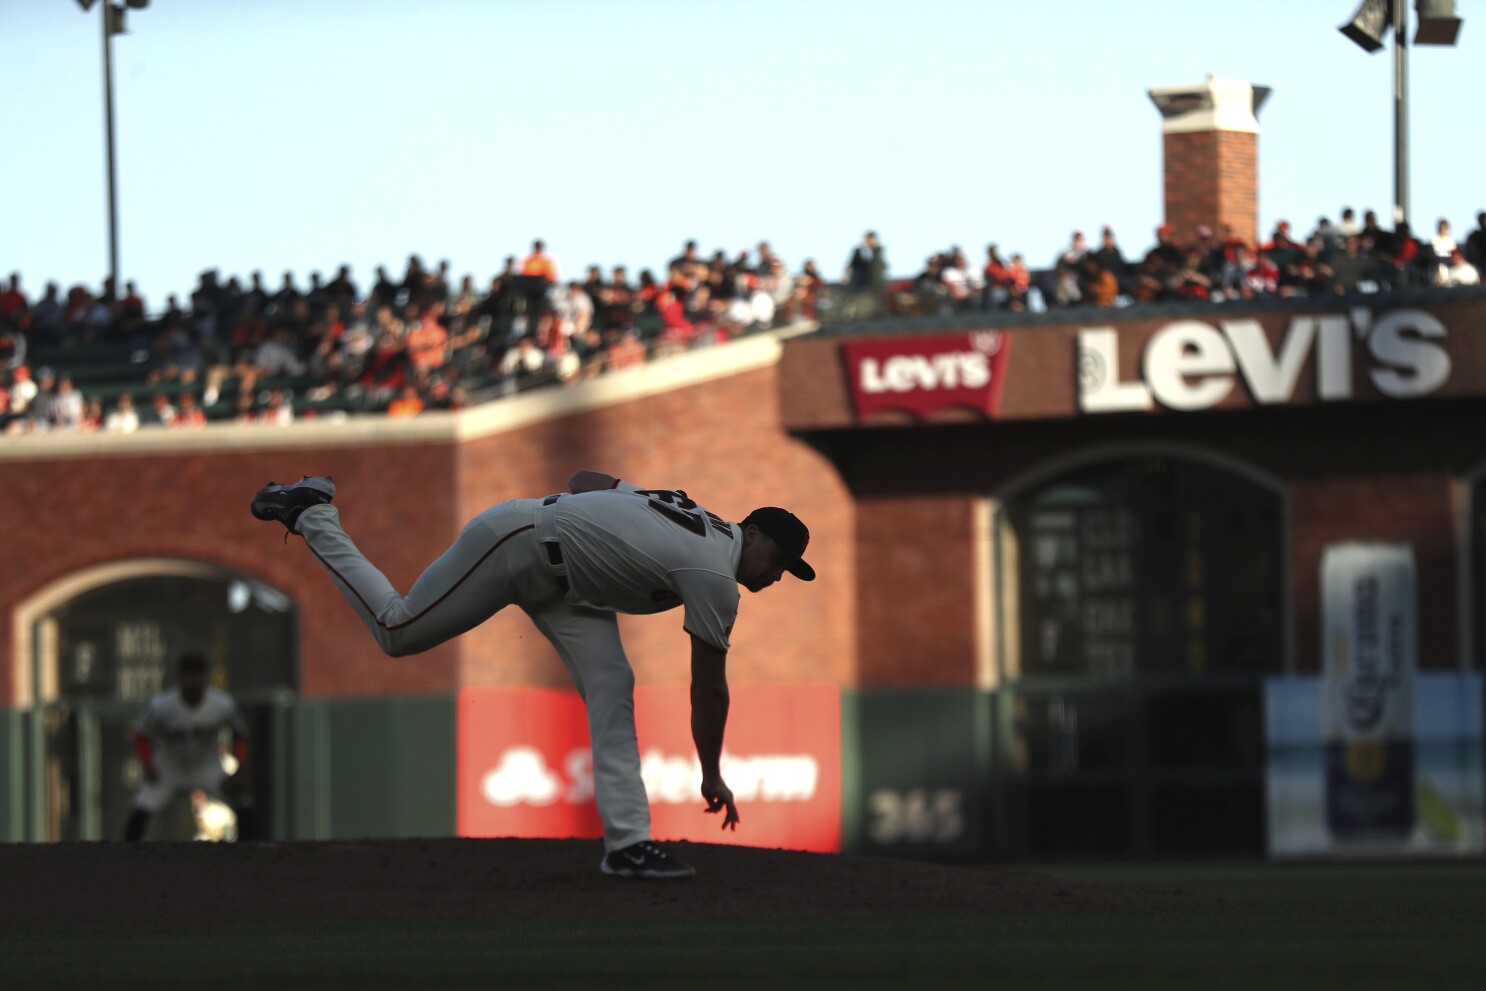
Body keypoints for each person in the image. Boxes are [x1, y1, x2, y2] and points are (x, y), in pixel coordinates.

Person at [250, 469, 816, 879]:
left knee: (613, 685)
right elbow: (708, 690)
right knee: (398, 631)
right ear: (757, 536)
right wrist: (712, 773)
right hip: (516, 542)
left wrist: (614, 525)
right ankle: (313, 513)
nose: (778, 576)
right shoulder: (714, 572)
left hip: (570, 583)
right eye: (781, 562)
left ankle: (629, 845)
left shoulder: (694, 517)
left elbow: (586, 477)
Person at [124, 650, 252, 842]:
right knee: (138, 817)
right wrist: (147, 763)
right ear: (180, 677)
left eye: (197, 674)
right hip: (168, 769)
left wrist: (240, 767)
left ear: (204, 677)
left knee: (244, 805)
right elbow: (140, 733)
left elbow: (240, 733)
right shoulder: (162, 705)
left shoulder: (222, 704)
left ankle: (250, 857)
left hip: (209, 768)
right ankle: (125, 864)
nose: (193, 680)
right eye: (189, 675)